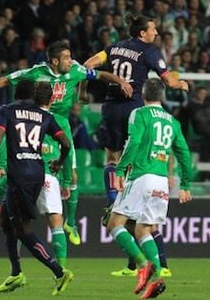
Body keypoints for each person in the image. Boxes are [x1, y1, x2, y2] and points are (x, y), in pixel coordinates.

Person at [0, 41, 132, 246]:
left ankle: (71, 223)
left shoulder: (75, 70)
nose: (71, 61)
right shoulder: (36, 73)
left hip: (60, 124)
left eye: (71, 57)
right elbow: (5, 80)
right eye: (67, 58)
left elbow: (100, 74)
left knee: (73, 176)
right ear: (54, 61)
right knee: (21, 161)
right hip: (37, 120)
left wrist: (120, 81)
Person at [84, 14, 188, 276]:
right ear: (143, 33)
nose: (157, 33)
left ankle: (114, 200)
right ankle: (155, 261)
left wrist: (89, 89)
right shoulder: (149, 51)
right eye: (153, 29)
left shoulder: (113, 47)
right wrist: (182, 84)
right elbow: (168, 80)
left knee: (111, 157)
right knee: (134, 163)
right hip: (133, 107)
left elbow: (87, 65)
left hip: (110, 107)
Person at [106, 78, 192, 299]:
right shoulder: (173, 121)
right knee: (143, 230)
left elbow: (134, 142)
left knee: (114, 223)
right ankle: (156, 279)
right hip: (161, 180)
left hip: (141, 175)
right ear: (162, 97)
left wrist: (119, 169)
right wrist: (186, 184)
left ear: (143, 95)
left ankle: (143, 264)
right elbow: (183, 152)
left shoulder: (140, 114)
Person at [0, 80, 73, 295]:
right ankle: (16, 273)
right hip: (37, 172)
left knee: (22, 230)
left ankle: (59, 272)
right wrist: (60, 162)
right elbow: (66, 144)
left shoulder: (8, 110)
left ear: (15, 93)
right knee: (6, 221)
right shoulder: (45, 116)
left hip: (19, 176)